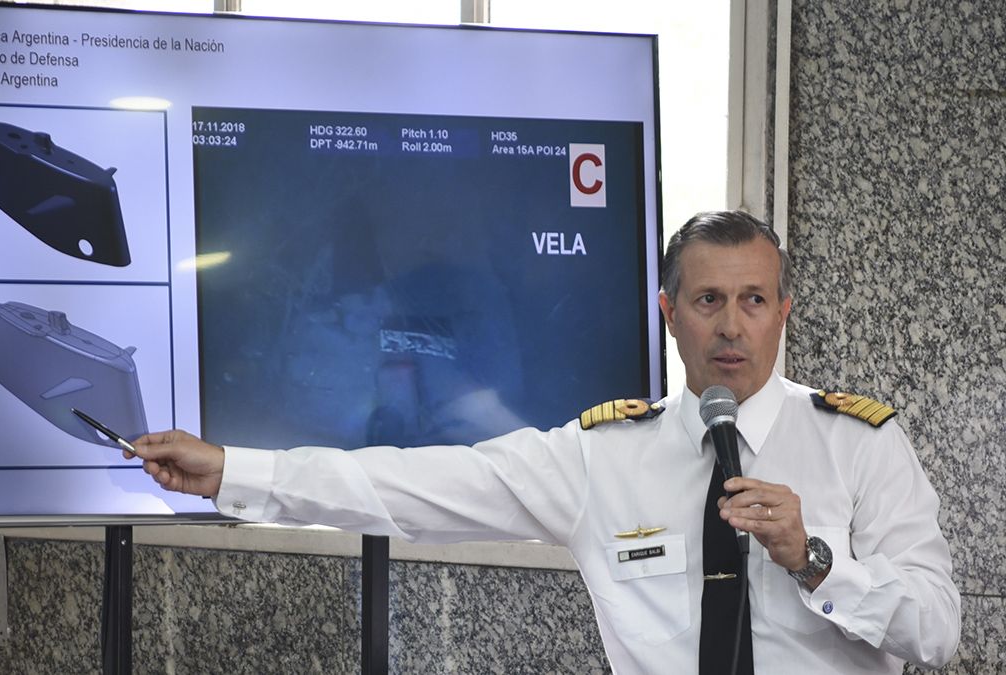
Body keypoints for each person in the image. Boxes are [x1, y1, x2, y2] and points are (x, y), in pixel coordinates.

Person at [129, 210, 960, 673]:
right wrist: (234, 471)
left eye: (753, 300)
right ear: (668, 314)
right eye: (708, 300)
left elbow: (936, 630)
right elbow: (415, 486)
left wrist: (814, 558)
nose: (732, 326)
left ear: (785, 311)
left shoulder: (860, 443)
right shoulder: (604, 454)